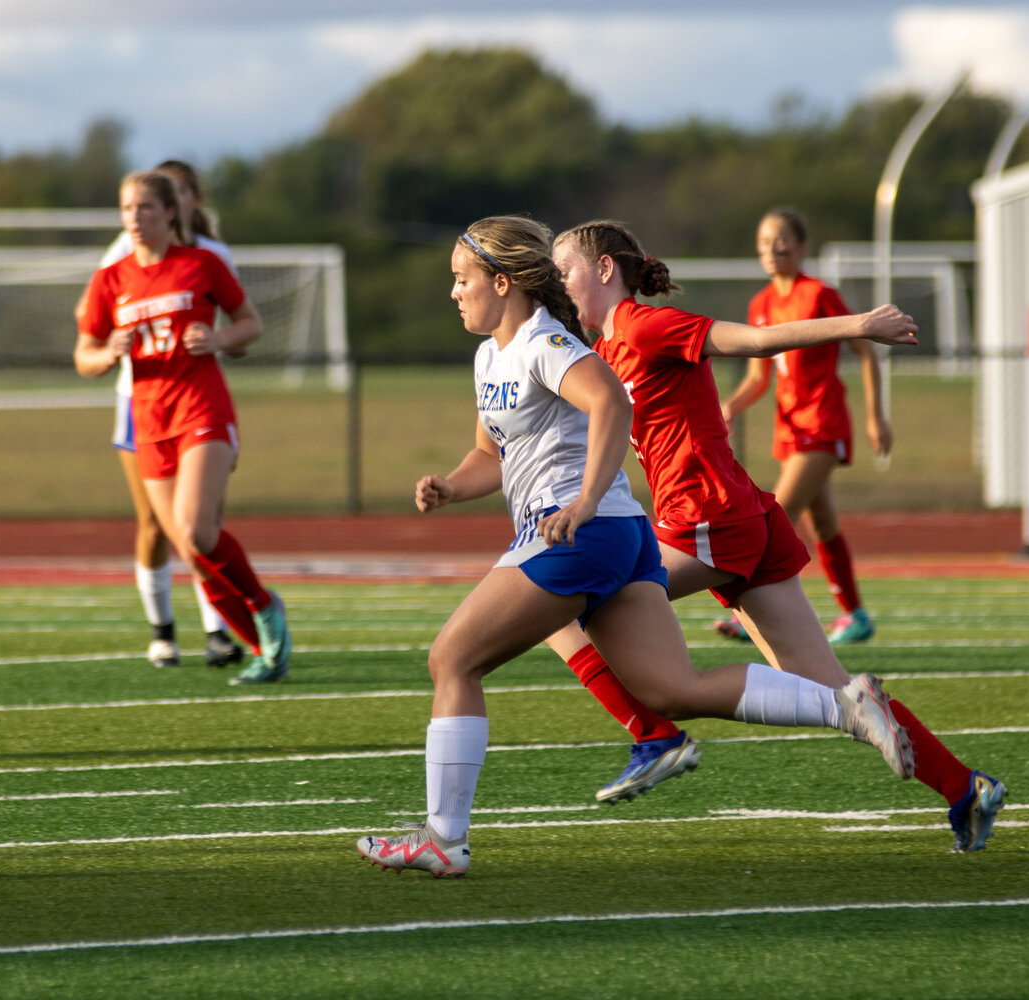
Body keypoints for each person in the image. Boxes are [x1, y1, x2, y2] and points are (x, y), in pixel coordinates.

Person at [355, 216, 913, 879]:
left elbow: (612, 403)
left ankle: (444, 839)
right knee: (672, 690)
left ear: (502, 282)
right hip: (611, 534)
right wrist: (450, 485)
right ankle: (847, 706)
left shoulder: (545, 342)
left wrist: (585, 499)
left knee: (451, 658)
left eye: (462, 279)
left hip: (583, 532)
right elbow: (489, 454)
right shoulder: (491, 357)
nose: (454, 292)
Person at [547, 218, 1005, 854]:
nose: (558, 282)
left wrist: (859, 325)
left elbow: (756, 342)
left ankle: (654, 735)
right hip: (738, 519)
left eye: (564, 269)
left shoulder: (644, 325)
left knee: (559, 605)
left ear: (603, 271)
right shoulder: (604, 350)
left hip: (709, 519)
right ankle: (966, 789)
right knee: (832, 695)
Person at [74, 169, 291, 685]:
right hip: (147, 422)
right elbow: (82, 353)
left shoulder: (203, 262)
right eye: (127, 210)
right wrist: (105, 355)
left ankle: (265, 606)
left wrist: (216, 340)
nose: (135, 219)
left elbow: (250, 323)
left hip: (201, 408)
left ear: (171, 212)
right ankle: (266, 650)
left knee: (195, 528)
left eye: (146, 208)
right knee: (194, 551)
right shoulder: (111, 277)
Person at [714, 207, 887, 646]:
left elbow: (865, 351)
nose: (772, 251)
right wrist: (729, 406)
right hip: (790, 431)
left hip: (822, 424)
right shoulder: (762, 304)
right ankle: (855, 614)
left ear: (802, 246)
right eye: (763, 244)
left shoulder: (819, 295)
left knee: (776, 519)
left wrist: (875, 415)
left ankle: (749, 614)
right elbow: (759, 378)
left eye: (781, 241)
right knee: (823, 524)